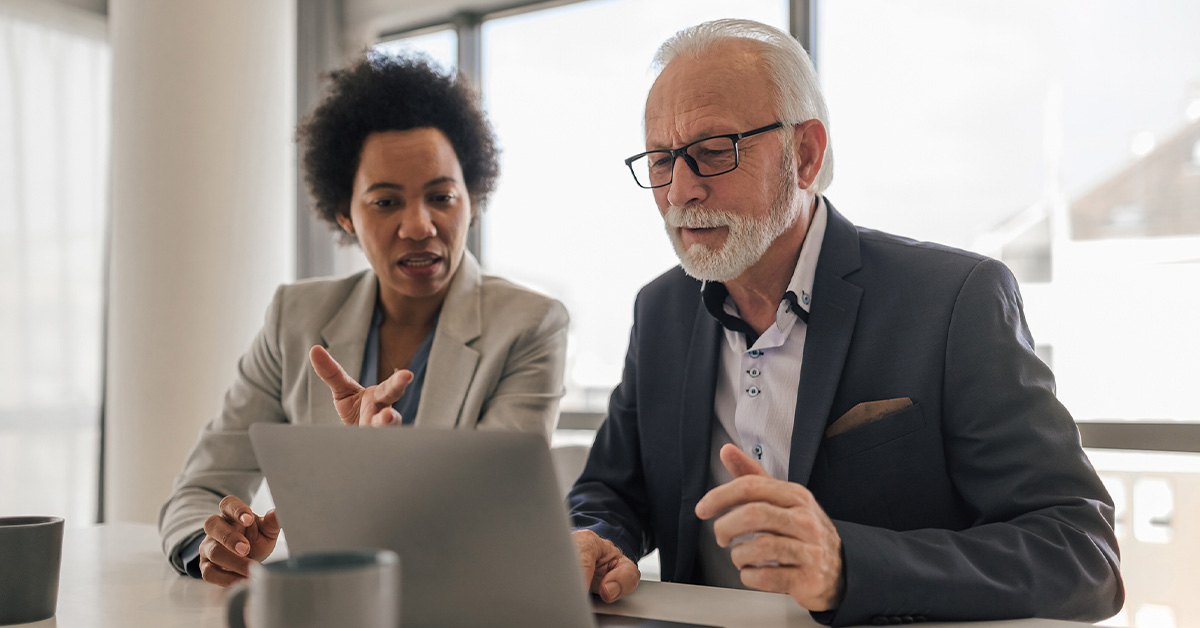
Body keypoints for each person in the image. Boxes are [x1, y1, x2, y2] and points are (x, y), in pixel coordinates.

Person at [567, 18, 1122, 626]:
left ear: (804, 155)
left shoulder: (951, 300)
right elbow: (614, 492)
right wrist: (595, 538)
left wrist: (847, 567)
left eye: (712, 152)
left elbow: (1082, 554)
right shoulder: (661, 310)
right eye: (661, 159)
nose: (679, 191)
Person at [159, 53, 569, 586]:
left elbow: (488, 519)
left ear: (473, 200)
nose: (420, 226)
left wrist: (376, 467)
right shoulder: (294, 320)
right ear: (345, 216)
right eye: (385, 202)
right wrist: (214, 545)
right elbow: (198, 489)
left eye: (442, 196)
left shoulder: (531, 325)